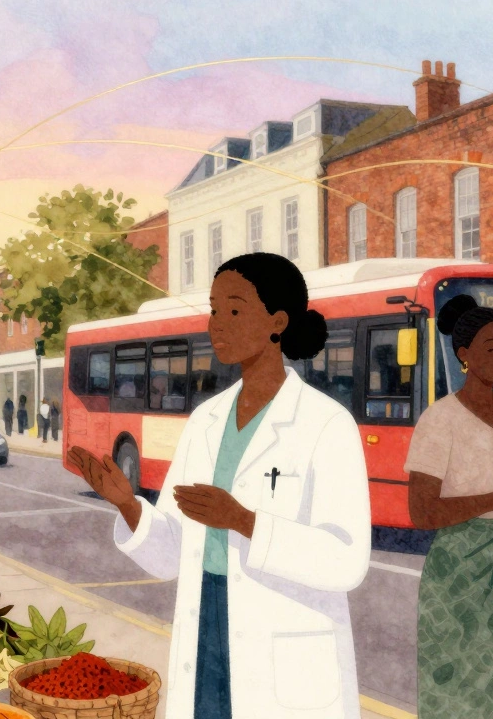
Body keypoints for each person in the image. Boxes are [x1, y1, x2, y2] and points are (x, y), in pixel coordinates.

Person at [69, 253, 371, 719]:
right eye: (213, 310)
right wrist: (128, 505)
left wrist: (244, 522)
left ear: (277, 321)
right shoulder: (204, 422)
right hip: (206, 624)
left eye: (234, 310)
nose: (217, 324)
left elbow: (347, 560)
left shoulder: (327, 424)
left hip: (284, 639)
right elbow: (170, 554)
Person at [405, 296, 493, 718]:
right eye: (490, 348)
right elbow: (422, 512)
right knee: (460, 685)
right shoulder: (439, 419)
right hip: (458, 572)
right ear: (464, 354)